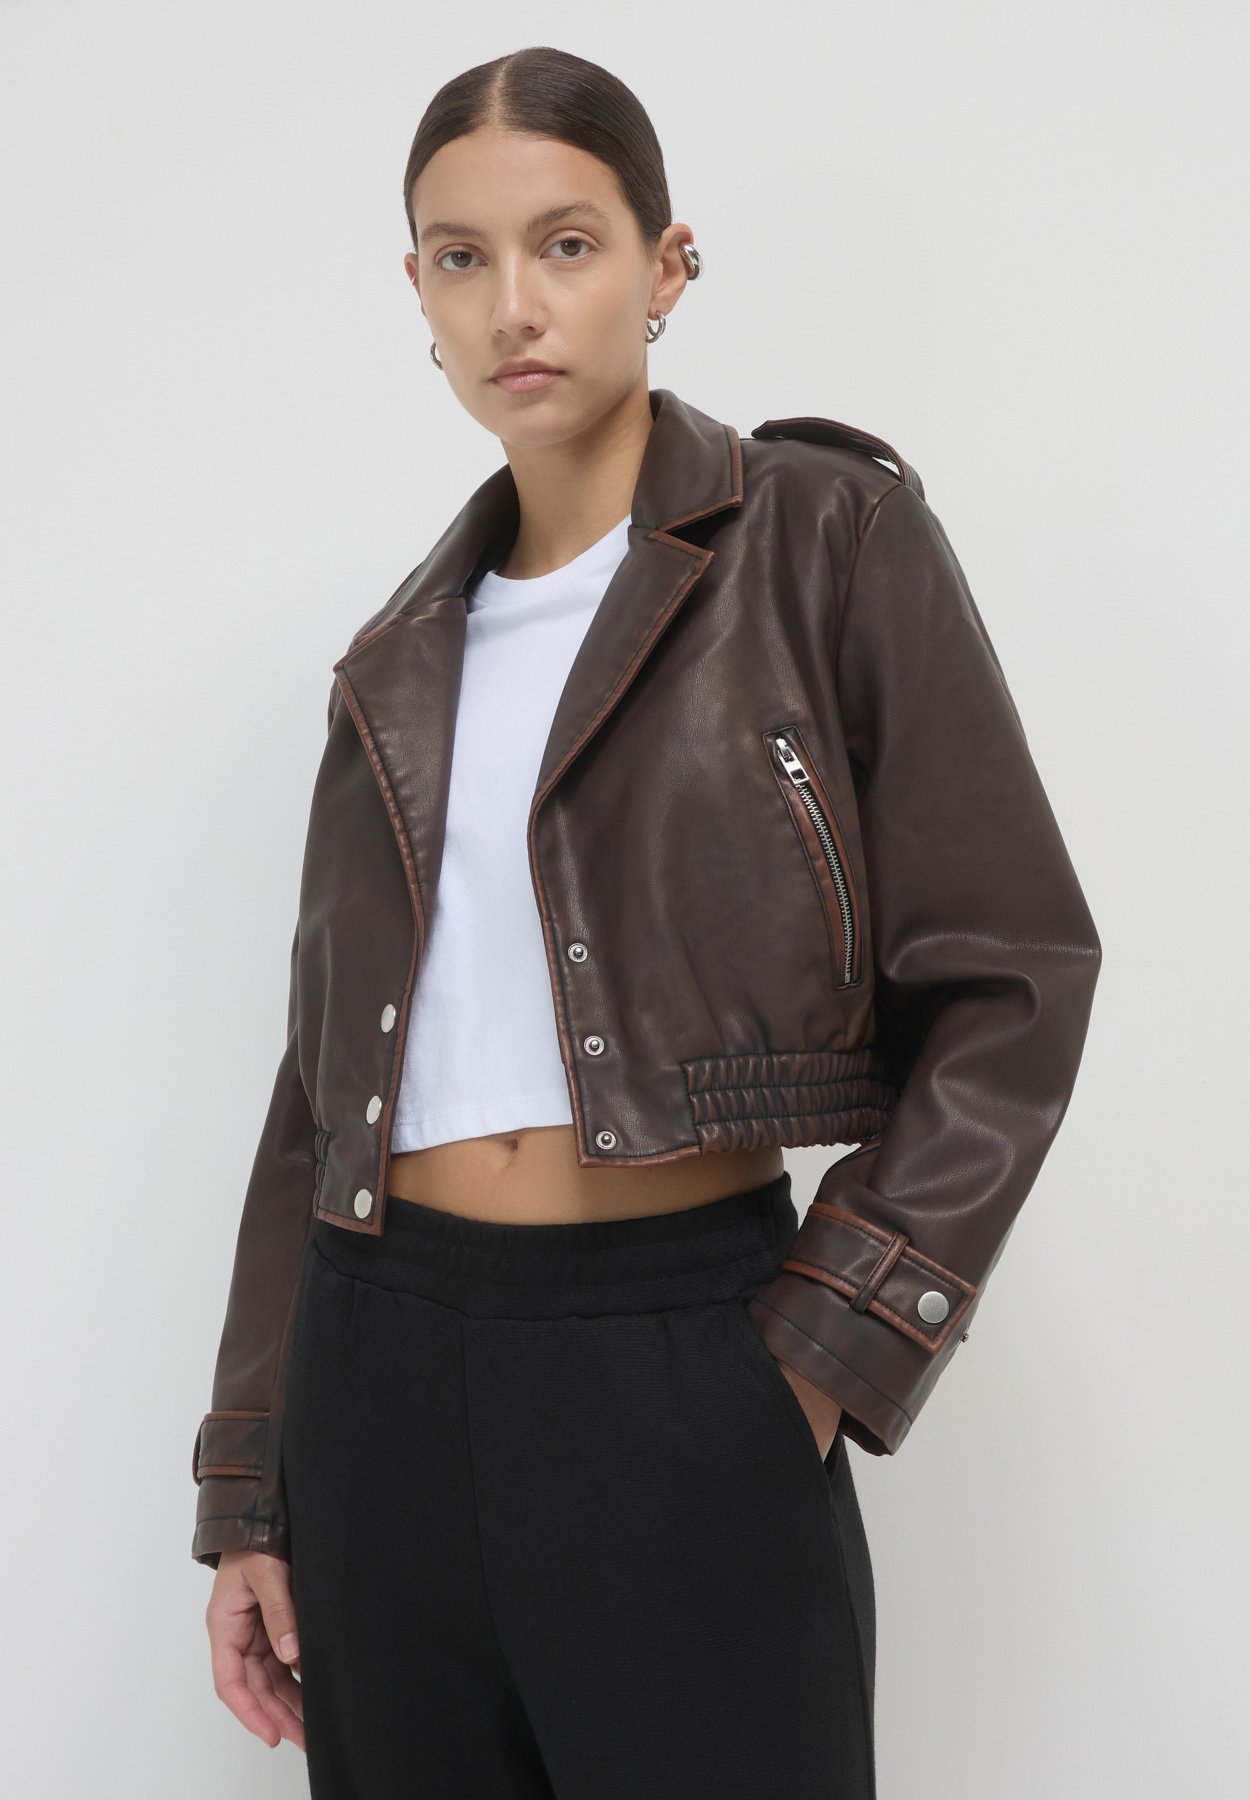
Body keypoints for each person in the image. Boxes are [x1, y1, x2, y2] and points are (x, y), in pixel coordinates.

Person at [193, 45, 1102, 1800]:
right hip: (376, 1379)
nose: (512, 306)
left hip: (680, 1357)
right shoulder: (395, 665)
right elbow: (319, 1096)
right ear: (415, 292)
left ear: (665, 264)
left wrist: (819, 1358)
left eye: (566, 243)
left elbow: (1013, 975)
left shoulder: (821, 537)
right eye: (460, 257)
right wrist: (253, 1483)